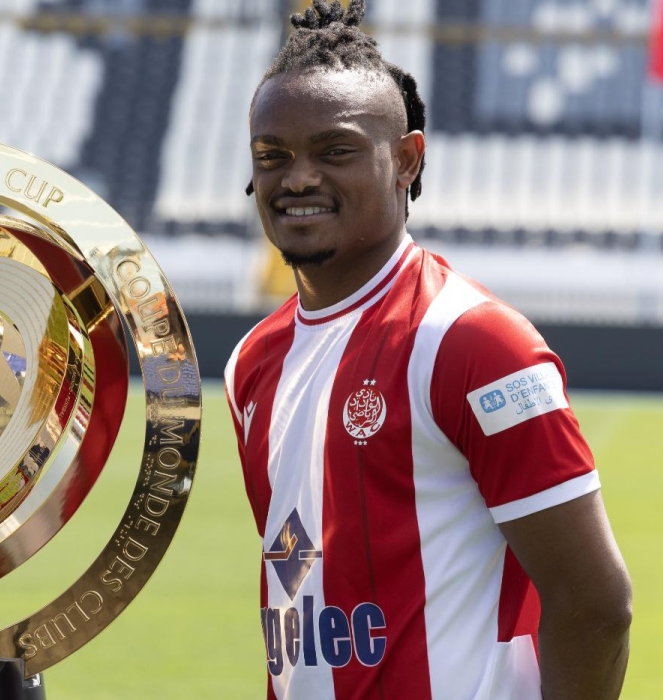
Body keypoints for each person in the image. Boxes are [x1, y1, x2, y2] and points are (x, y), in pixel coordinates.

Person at [222, 3, 632, 699]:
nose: (297, 178)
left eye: (335, 151)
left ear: (407, 160)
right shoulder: (251, 363)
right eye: (273, 156)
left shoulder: (473, 342)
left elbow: (596, 607)